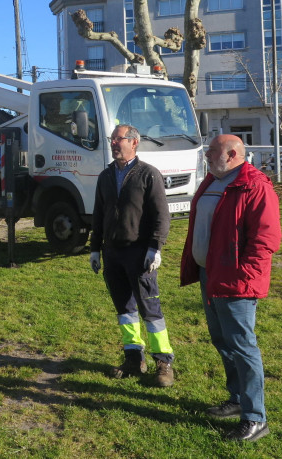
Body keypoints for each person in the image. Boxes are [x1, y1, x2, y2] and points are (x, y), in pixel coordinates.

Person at [180, 134, 282, 443]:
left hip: (236, 281)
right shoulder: (212, 180)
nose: (206, 155)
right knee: (222, 340)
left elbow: (266, 239)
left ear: (233, 153)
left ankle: (255, 418)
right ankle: (237, 398)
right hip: (210, 275)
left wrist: (245, 277)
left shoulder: (255, 185)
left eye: (212, 151)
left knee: (242, 345)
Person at [90, 124, 175, 387]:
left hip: (140, 255)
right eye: (112, 139)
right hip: (113, 253)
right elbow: (98, 214)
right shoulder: (105, 176)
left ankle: (163, 362)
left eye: (119, 139)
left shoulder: (148, 174)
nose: (114, 143)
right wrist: (95, 248)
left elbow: (162, 215)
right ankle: (133, 358)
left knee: (150, 310)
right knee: (125, 310)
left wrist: (155, 247)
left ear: (134, 143)